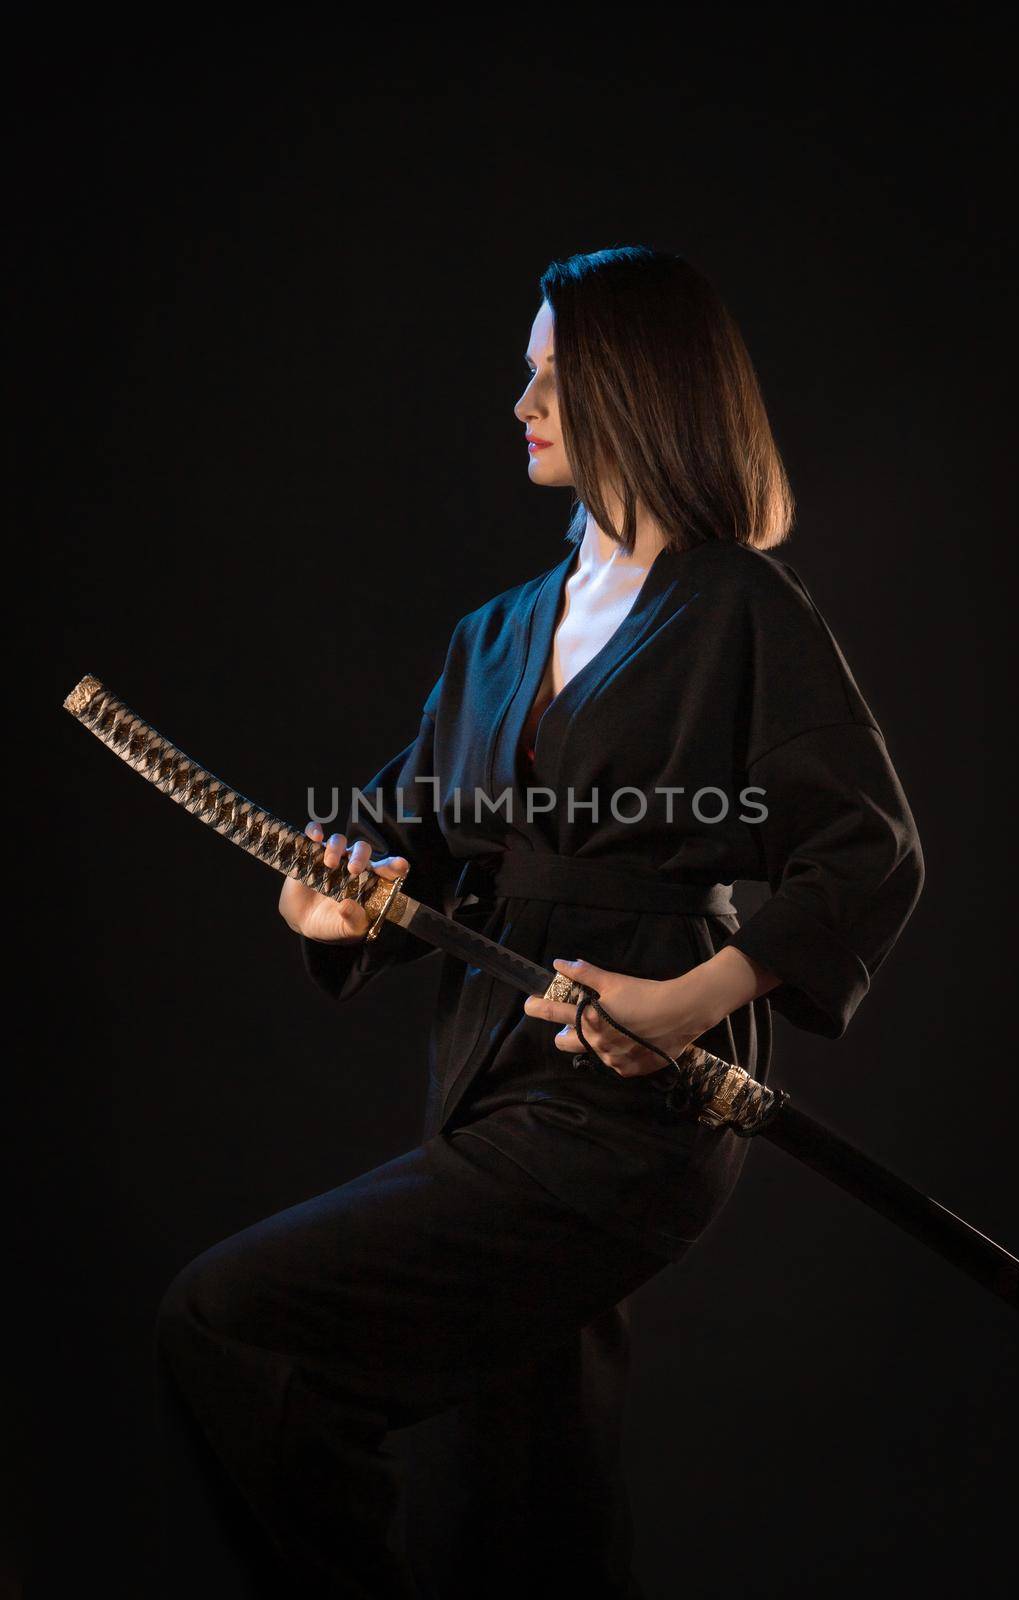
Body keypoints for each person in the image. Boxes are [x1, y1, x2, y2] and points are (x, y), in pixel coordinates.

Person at [153, 246, 925, 1598]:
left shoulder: (742, 608)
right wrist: (328, 899)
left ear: (637, 385)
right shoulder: (496, 633)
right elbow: (395, 838)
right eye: (529, 370)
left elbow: (868, 855)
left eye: (553, 372)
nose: (523, 398)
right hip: (480, 1082)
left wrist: (683, 1008)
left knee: (236, 1326)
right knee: (523, 1506)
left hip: (633, 1113)